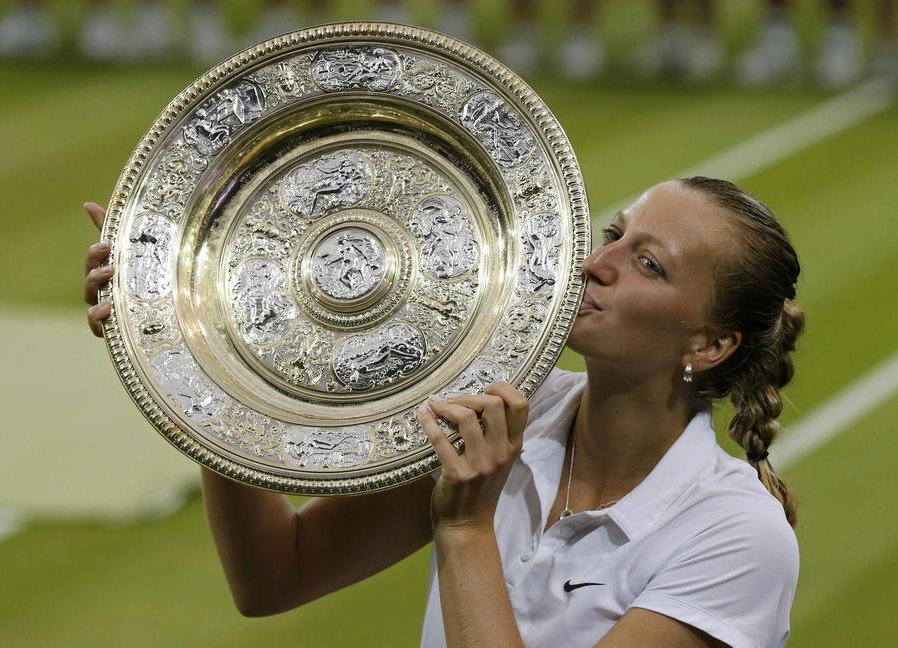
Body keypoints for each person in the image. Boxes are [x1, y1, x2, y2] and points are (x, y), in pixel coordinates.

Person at [82, 174, 802, 646]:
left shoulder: (738, 537)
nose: (596, 262)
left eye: (648, 263)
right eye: (615, 233)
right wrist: (202, 356)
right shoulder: (505, 412)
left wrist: (464, 527)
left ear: (710, 344)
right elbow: (276, 575)